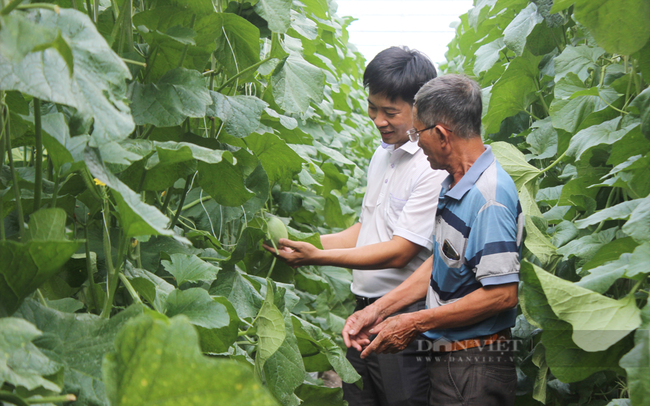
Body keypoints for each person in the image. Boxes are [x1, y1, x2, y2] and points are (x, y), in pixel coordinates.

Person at [265, 46, 447, 406]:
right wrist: (303, 242)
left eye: (390, 111)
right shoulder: (383, 154)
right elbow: (365, 229)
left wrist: (318, 259)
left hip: (404, 318)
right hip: (363, 312)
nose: (378, 120)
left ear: (421, 107)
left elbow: (401, 251)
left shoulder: (429, 168)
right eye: (372, 107)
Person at [342, 74, 523, 406]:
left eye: (417, 132)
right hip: (451, 358)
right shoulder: (455, 183)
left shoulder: (489, 199)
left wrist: (414, 322)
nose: (415, 142)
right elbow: (440, 261)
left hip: (475, 366)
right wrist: (379, 310)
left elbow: (501, 295)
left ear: (441, 134)